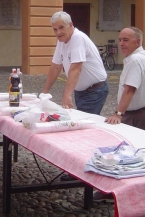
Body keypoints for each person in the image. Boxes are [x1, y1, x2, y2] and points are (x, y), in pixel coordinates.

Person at [93, 26, 145, 202]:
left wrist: (118, 114)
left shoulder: (135, 60)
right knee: (134, 155)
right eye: (120, 39)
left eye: (126, 40)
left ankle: (120, 195)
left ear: (137, 42)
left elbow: (130, 89)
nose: (121, 43)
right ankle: (127, 194)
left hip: (137, 115)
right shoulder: (142, 56)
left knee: (125, 156)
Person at [42, 11, 109, 181]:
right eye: (55, 29)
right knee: (80, 127)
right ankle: (82, 166)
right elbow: (56, 66)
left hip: (94, 90)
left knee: (82, 130)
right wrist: (45, 91)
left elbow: (76, 68)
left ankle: (81, 170)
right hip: (82, 91)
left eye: (61, 28)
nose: (58, 32)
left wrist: (67, 95)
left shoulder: (77, 38)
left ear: (71, 25)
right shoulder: (62, 41)